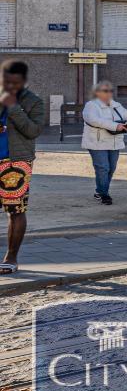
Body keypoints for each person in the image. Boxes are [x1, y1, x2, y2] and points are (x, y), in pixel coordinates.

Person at [0, 61, 46, 273]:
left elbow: (33, 130)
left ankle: (11, 256)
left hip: (15, 163)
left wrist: (13, 108)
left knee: (15, 210)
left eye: (14, 82)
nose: (8, 86)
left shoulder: (33, 101)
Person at [81, 81, 127, 205]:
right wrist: (115, 126)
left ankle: (99, 191)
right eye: (105, 91)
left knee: (111, 168)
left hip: (114, 142)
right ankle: (104, 194)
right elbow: (94, 120)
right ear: (97, 93)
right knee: (103, 168)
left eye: (110, 91)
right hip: (96, 142)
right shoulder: (91, 105)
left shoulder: (116, 105)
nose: (109, 93)